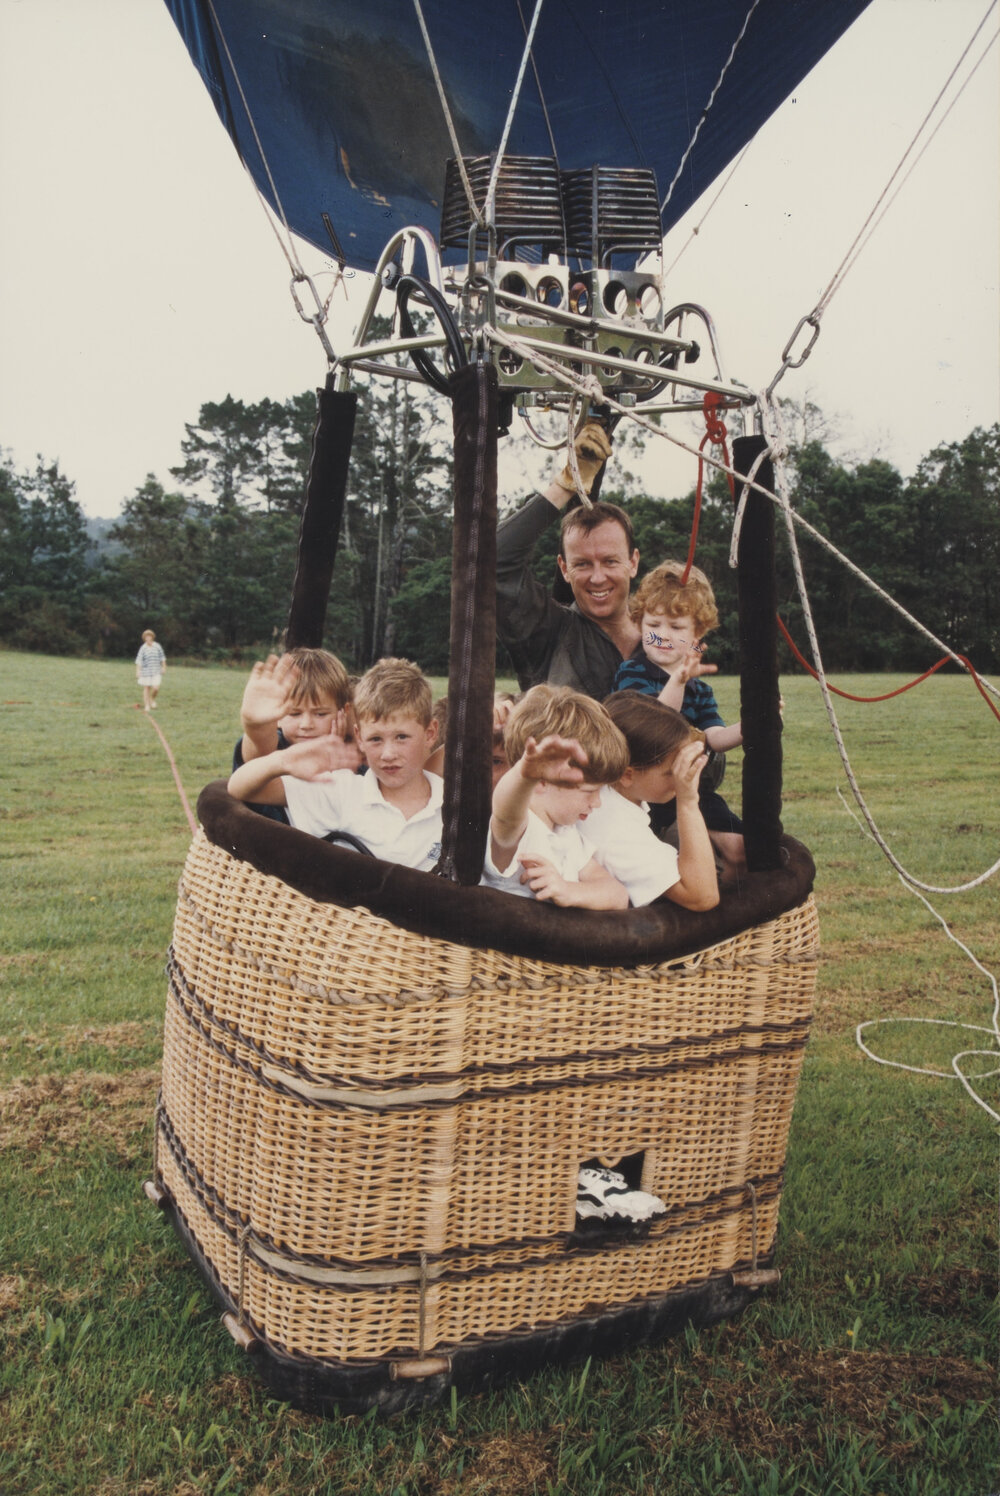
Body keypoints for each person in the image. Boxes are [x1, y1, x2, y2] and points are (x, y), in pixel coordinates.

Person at [227, 657, 442, 870]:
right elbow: (239, 787)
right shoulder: (341, 789)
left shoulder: (453, 804)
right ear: (359, 737)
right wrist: (282, 757)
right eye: (375, 739)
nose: (388, 754)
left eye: (402, 737)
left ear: (431, 733)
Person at [612, 560, 745, 873]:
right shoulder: (631, 673)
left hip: (694, 790)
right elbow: (654, 725)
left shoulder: (700, 690)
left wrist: (752, 725)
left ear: (697, 633)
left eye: (676, 627)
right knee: (692, 863)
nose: (663, 636)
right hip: (647, 796)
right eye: (653, 626)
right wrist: (679, 680)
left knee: (740, 850)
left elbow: (714, 738)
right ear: (639, 625)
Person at [496, 422, 641, 699]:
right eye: (582, 564)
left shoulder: (660, 634)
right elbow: (493, 561)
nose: (597, 577)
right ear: (564, 568)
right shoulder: (549, 633)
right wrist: (565, 485)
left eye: (610, 561)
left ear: (633, 562)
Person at [481, 684, 630, 909]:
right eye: (589, 791)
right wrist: (524, 774)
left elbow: (617, 894)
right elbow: (505, 814)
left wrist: (569, 890)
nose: (597, 803)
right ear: (541, 781)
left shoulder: (566, 833)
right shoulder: (519, 830)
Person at [582, 692, 720, 910]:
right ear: (627, 775)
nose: (679, 778)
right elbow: (702, 896)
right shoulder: (617, 830)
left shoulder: (604, 797)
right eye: (671, 772)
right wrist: (688, 802)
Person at [233, 647, 355, 824]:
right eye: (294, 714)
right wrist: (256, 726)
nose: (306, 725)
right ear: (277, 717)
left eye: (320, 714)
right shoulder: (277, 744)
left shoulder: (353, 755)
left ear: (344, 711)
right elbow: (259, 750)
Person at [135, 630, 166, 712]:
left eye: (149, 636)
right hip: (146, 672)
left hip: (156, 671)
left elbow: (162, 657)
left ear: (152, 637)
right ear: (144, 638)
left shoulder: (157, 646)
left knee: (156, 688)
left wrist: (163, 667)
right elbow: (139, 660)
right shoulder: (143, 648)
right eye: (146, 637)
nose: (148, 638)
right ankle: (147, 705)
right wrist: (138, 671)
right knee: (147, 688)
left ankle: (152, 699)